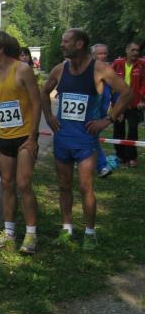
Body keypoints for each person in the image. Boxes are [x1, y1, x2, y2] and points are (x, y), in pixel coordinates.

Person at [41, 28, 131, 249]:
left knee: (85, 186)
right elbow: (44, 91)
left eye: (66, 41)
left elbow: (127, 93)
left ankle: (90, 233)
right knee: (64, 185)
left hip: (85, 139)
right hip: (63, 138)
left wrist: (108, 119)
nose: (62, 45)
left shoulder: (99, 69)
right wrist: (49, 116)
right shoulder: (60, 69)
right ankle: (67, 228)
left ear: (79, 44)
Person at [0, 31, 42, 253]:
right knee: (6, 184)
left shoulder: (22, 69)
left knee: (24, 184)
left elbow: (36, 103)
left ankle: (31, 234)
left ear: (0, 49)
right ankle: (9, 232)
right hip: (3, 137)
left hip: (24, 136)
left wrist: (33, 136)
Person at [110, 42, 145, 167]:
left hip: (134, 104)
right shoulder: (117, 63)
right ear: (126, 50)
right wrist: (114, 103)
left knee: (133, 130)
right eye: (133, 50)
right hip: (119, 103)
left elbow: (144, 83)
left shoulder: (142, 64)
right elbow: (111, 83)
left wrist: (142, 100)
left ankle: (131, 157)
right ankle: (120, 156)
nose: (135, 52)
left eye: (137, 50)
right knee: (118, 129)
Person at [90, 43, 113, 177]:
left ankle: (96, 164)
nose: (103, 56)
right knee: (91, 138)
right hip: (89, 111)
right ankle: (101, 166)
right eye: (100, 53)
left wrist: (116, 108)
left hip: (101, 113)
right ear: (93, 55)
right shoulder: (87, 70)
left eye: (105, 53)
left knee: (92, 138)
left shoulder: (110, 70)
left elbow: (116, 92)